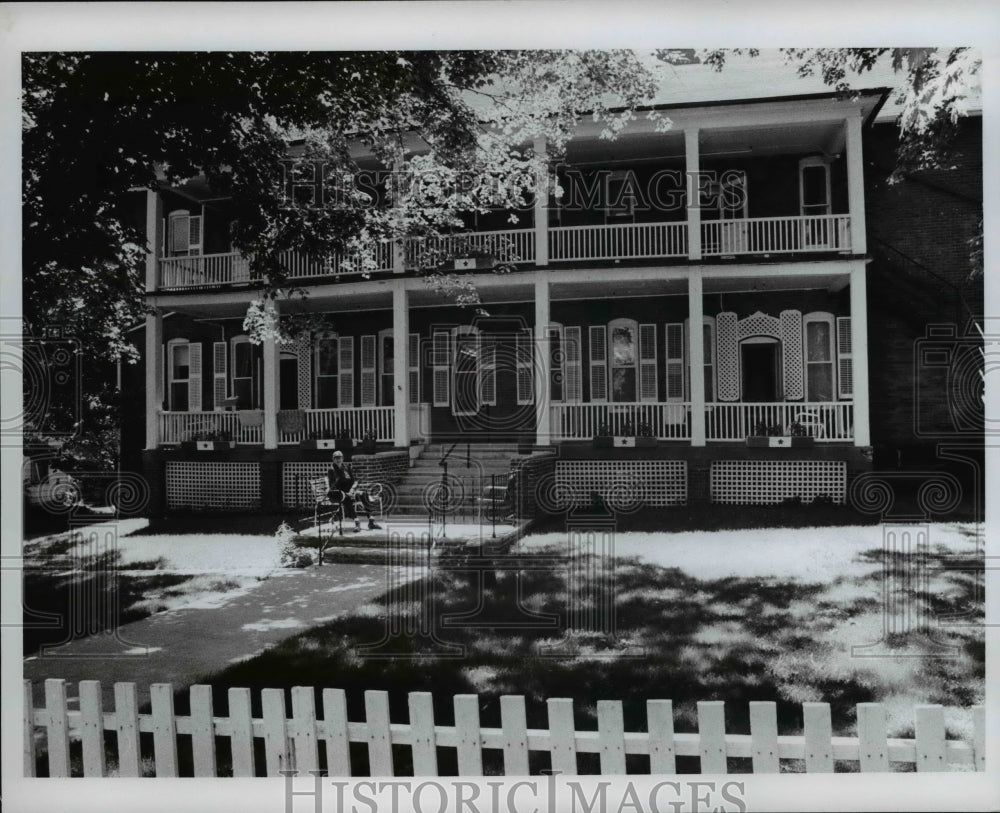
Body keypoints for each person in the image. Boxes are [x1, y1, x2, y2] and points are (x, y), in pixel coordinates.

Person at [327, 450, 380, 532]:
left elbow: (354, 481)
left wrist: (352, 490)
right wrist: (345, 489)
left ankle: (371, 522)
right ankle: (357, 522)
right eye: (336, 458)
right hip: (338, 493)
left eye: (339, 458)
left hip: (350, 491)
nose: (338, 460)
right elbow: (333, 486)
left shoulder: (347, 467)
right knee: (347, 498)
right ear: (333, 459)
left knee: (363, 494)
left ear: (343, 458)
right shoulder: (332, 470)